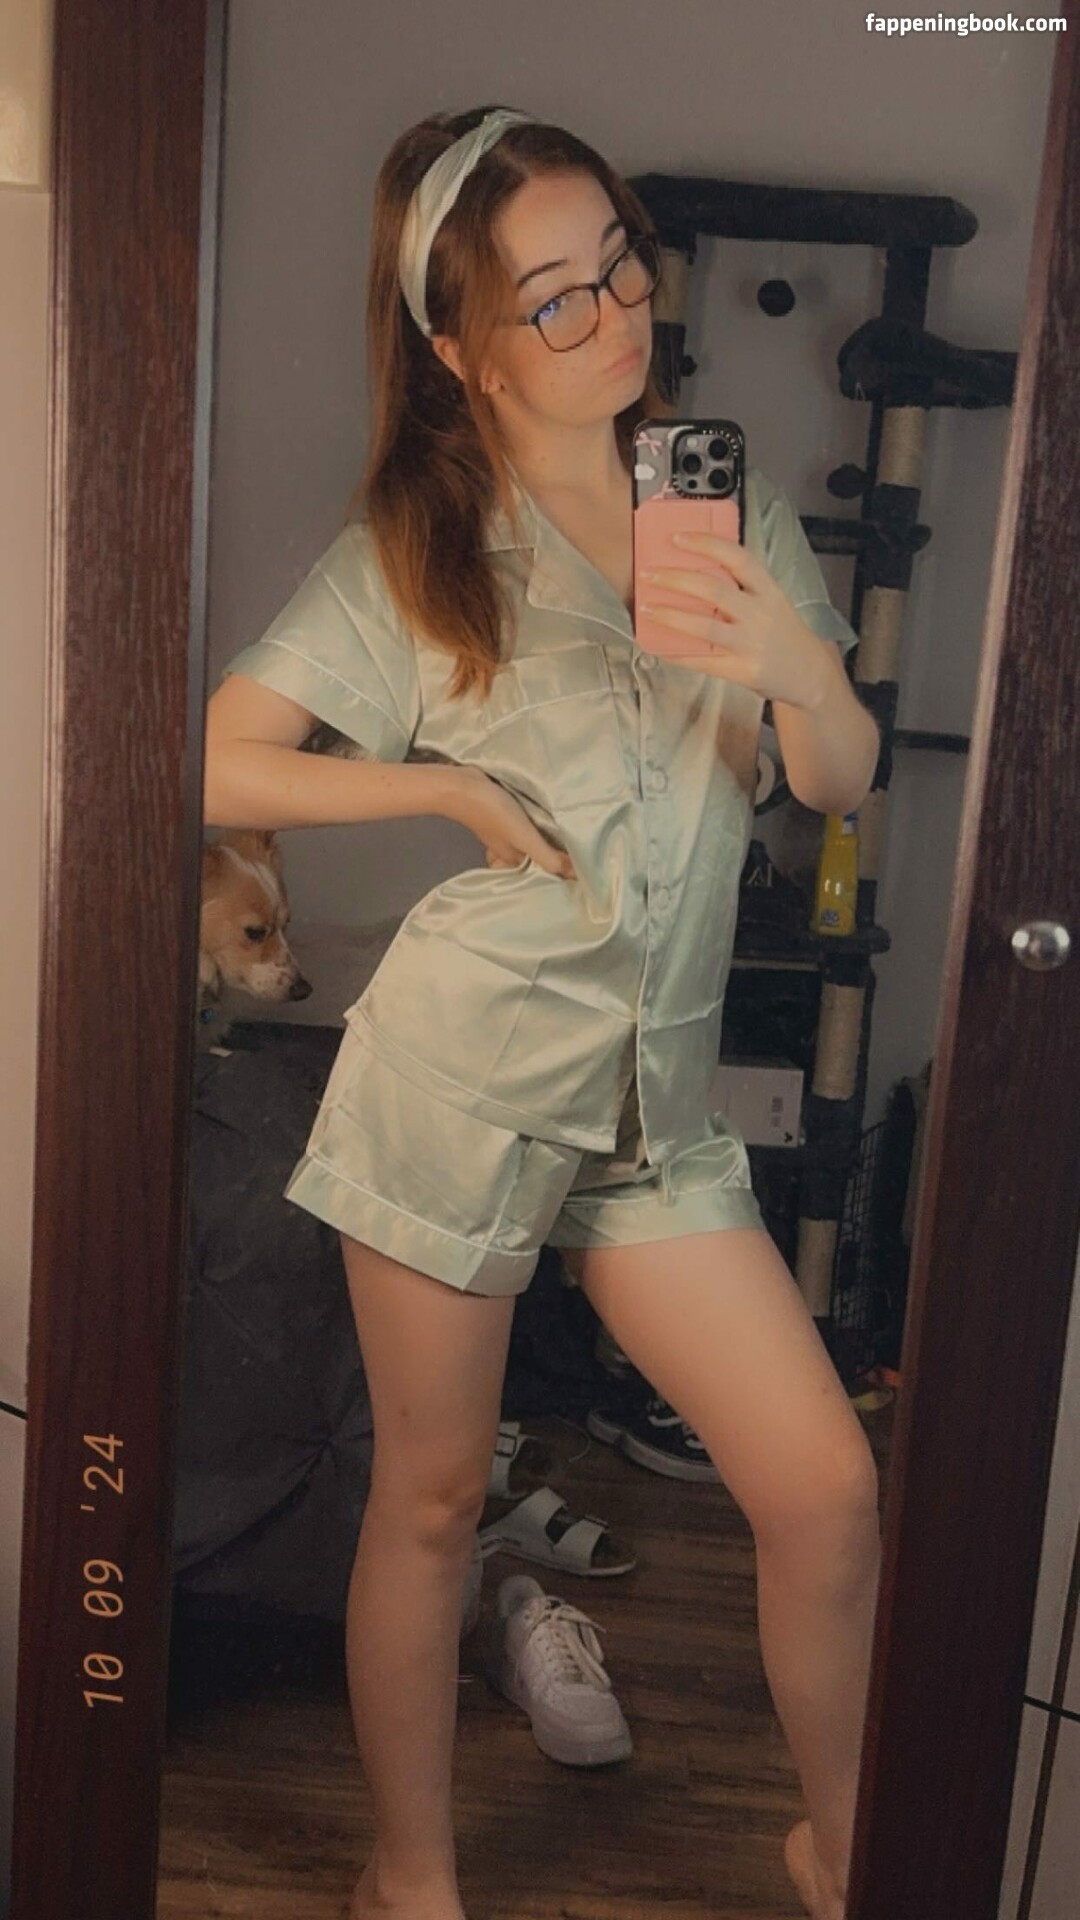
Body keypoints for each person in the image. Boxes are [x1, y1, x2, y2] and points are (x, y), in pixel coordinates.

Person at [203, 103, 883, 1920]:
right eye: (555, 298)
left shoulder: (721, 503)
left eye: (622, 270)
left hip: (658, 1112)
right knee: (433, 1504)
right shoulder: (419, 548)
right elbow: (217, 757)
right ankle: (409, 1876)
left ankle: (843, 1849)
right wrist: (440, 790)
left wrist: (796, 664)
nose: (614, 318)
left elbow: (837, 779)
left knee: (824, 1489)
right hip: (467, 1078)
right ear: (462, 347)